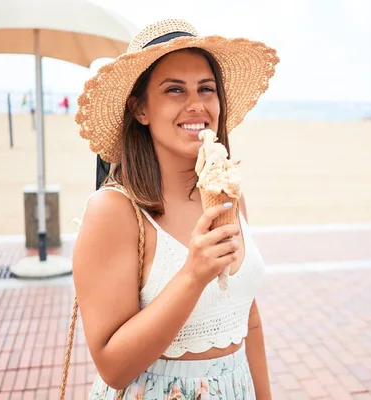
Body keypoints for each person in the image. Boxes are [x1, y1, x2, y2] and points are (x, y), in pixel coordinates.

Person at [67, 19, 280, 399]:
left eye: (206, 89)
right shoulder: (114, 211)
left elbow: (248, 320)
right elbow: (113, 367)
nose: (196, 104)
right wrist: (192, 275)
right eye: (175, 90)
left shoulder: (228, 195)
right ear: (141, 109)